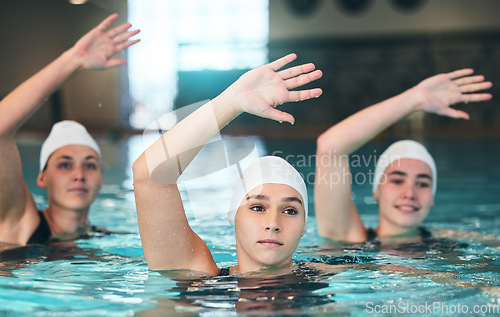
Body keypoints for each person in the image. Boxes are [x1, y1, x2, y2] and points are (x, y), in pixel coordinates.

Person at [133, 53, 325, 277]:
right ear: (233, 216)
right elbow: (149, 175)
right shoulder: (206, 284)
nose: (273, 224)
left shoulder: (328, 275)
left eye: (290, 210)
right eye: (257, 208)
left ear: (304, 227)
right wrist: (233, 100)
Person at [0, 14, 140, 247]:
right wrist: (73, 60)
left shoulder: (107, 240)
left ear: (101, 181)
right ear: (42, 178)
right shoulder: (18, 221)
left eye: (90, 165)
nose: (79, 174)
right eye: (65, 164)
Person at [314, 69, 492, 244]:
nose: (410, 194)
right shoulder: (349, 239)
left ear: (432, 197)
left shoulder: (452, 245)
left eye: (422, 184)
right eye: (397, 180)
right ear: (377, 191)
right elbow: (330, 147)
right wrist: (416, 98)